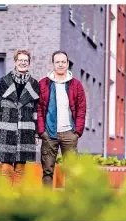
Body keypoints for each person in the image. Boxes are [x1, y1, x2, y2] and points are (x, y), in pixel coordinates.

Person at [0, 50, 40, 186]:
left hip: (26, 129)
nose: (23, 62)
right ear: (15, 62)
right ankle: (6, 199)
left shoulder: (34, 84)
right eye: (20, 60)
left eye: (26, 60)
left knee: (20, 168)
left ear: (29, 63)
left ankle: (17, 198)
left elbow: (36, 110)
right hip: (6, 127)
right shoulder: (4, 81)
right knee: (6, 168)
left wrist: (36, 134)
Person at [37, 50, 86, 187]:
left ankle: (69, 203)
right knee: (47, 171)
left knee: (71, 170)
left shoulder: (76, 85)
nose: (60, 64)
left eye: (63, 62)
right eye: (57, 62)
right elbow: (39, 108)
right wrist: (41, 131)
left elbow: (81, 109)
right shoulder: (43, 84)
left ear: (67, 63)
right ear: (53, 64)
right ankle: (47, 203)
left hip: (69, 133)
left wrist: (77, 132)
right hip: (49, 133)